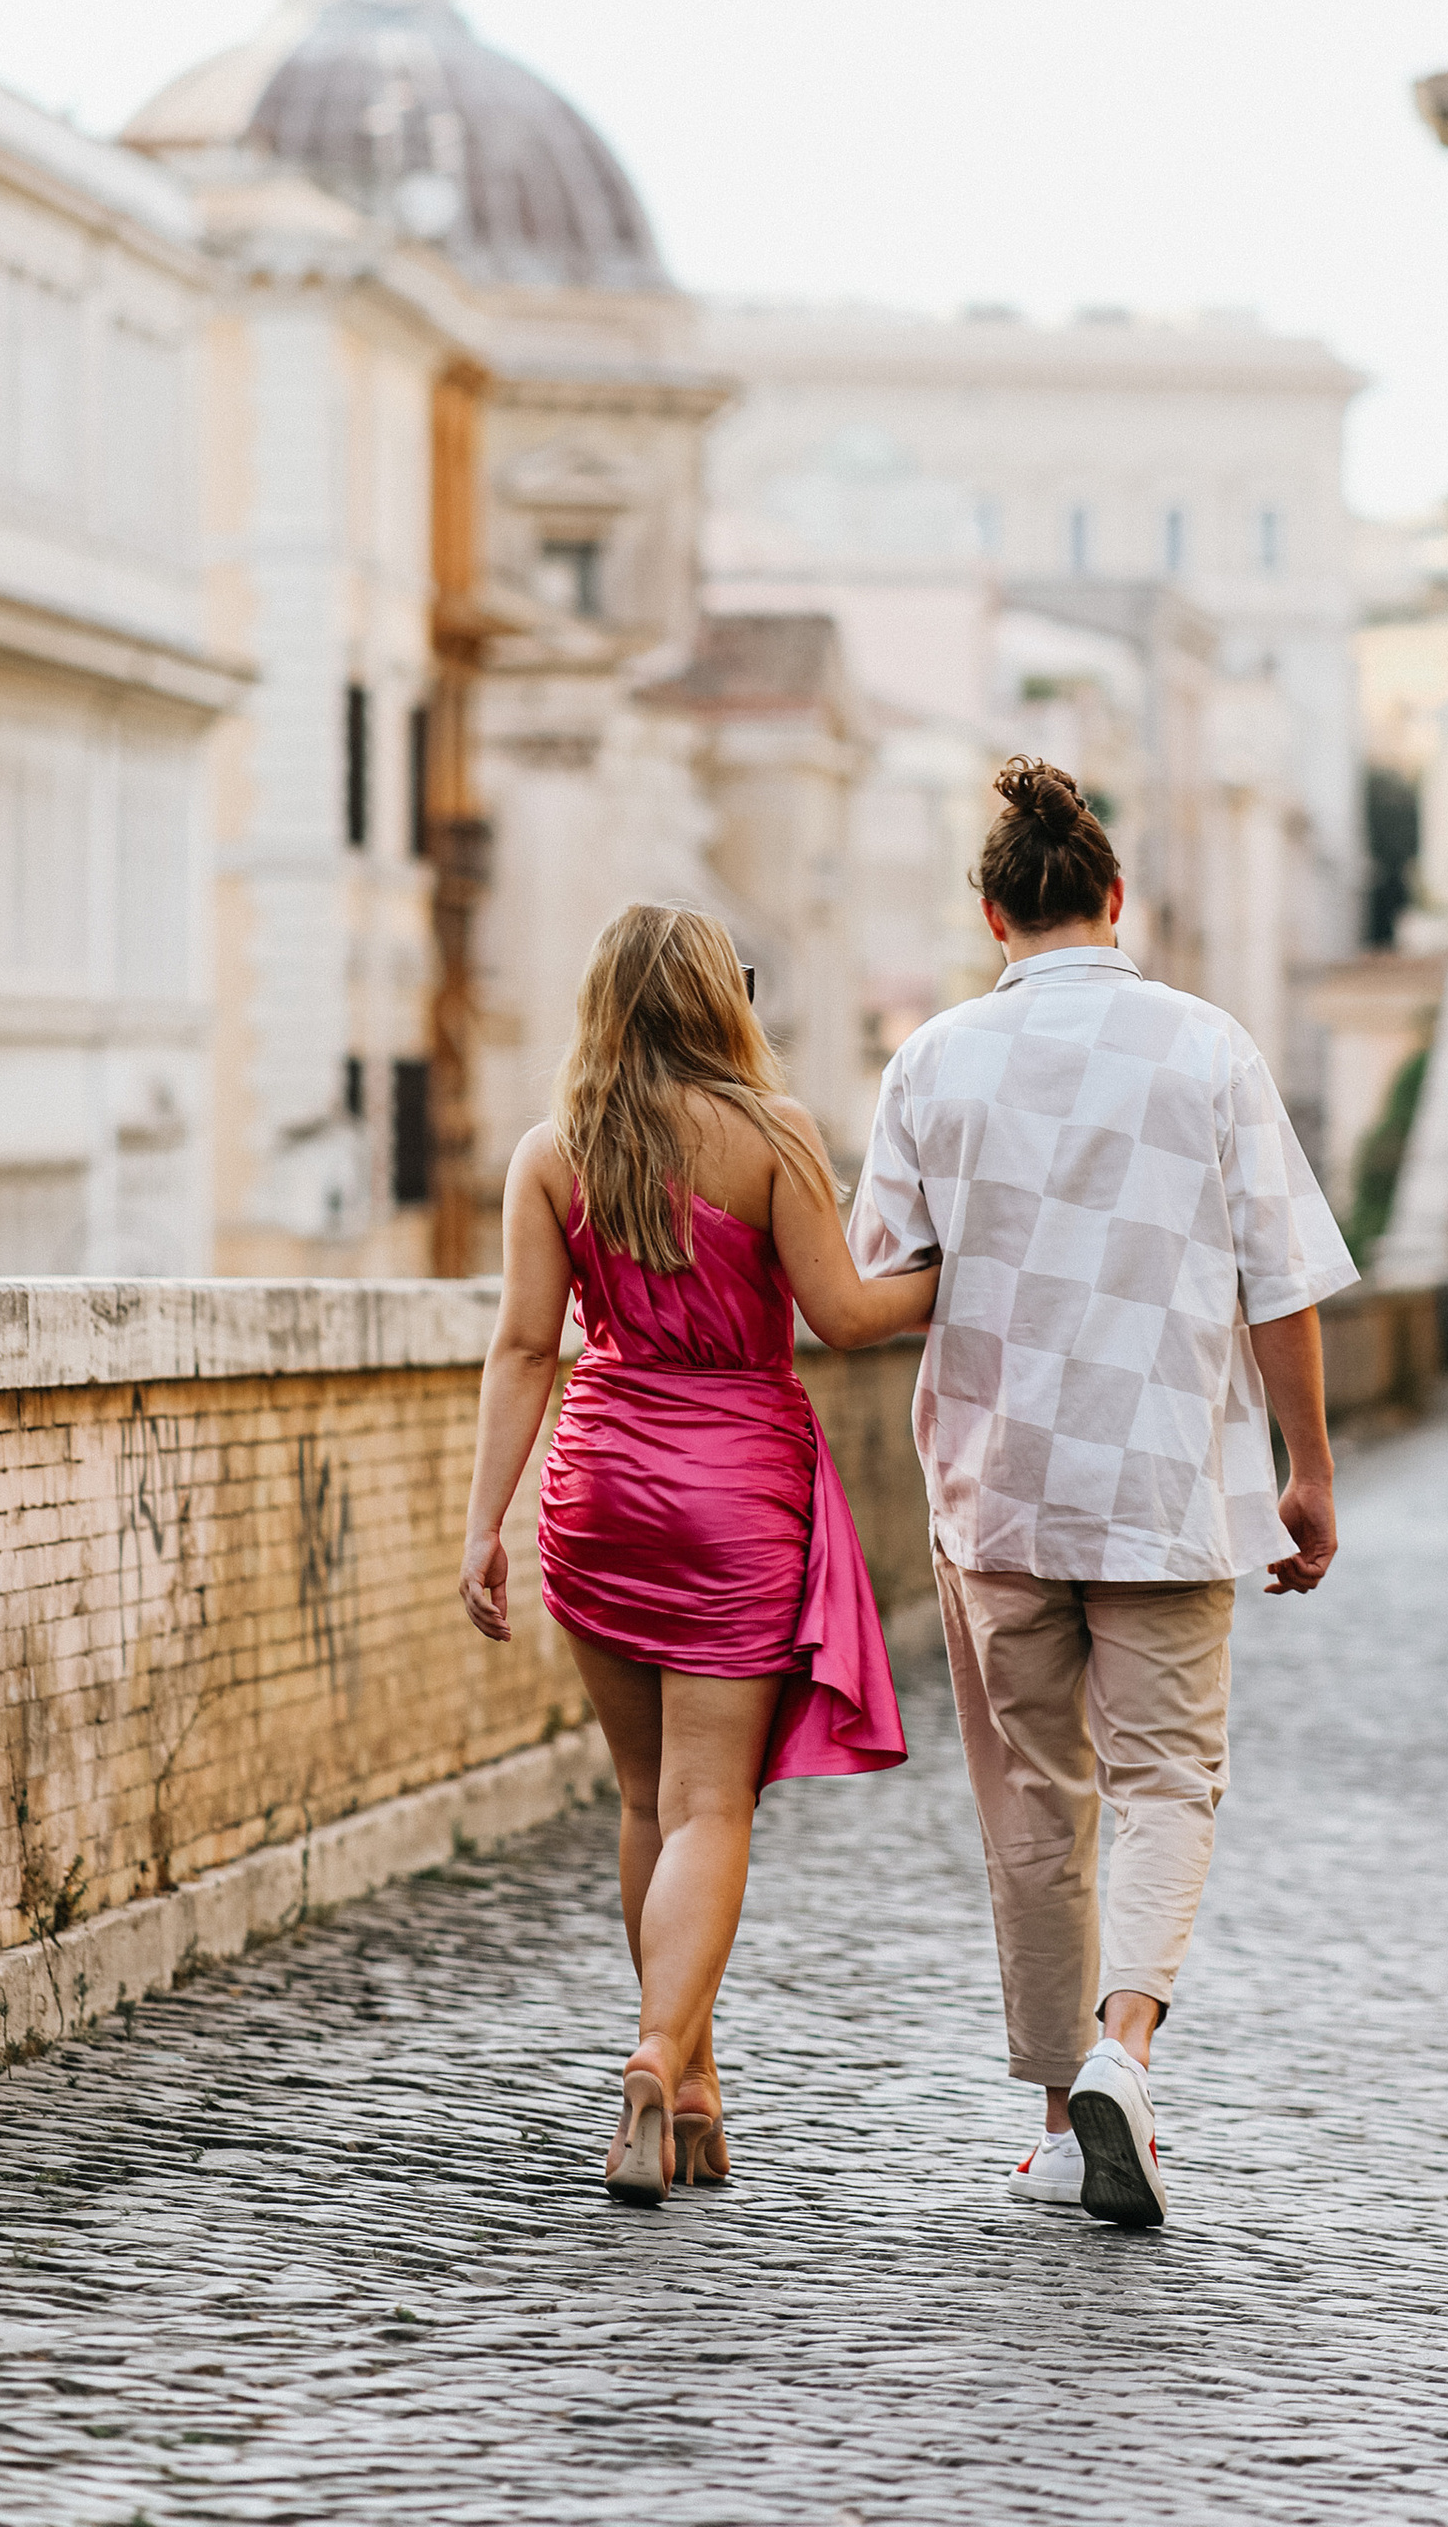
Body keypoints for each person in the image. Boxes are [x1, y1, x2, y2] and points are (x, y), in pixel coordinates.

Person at [848, 758, 1356, 2230]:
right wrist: (1304, 1471)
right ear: (1115, 900)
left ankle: (1061, 2106)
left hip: (997, 1488)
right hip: (1164, 1479)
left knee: (1032, 1797)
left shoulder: (932, 1060)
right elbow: (1284, 1279)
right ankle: (1127, 2049)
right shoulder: (1209, 1050)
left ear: (994, 915)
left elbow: (880, 1279)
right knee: (1164, 1784)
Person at [459, 903, 938, 2206]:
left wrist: (482, 1525)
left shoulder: (553, 1156)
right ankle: (659, 2058)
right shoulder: (776, 1135)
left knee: (644, 1803)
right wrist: (953, 1273)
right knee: (711, 1808)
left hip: (600, 1486)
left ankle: (698, 2090)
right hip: (735, 1489)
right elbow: (844, 1316)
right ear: (724, 1002)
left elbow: (520, 1350)